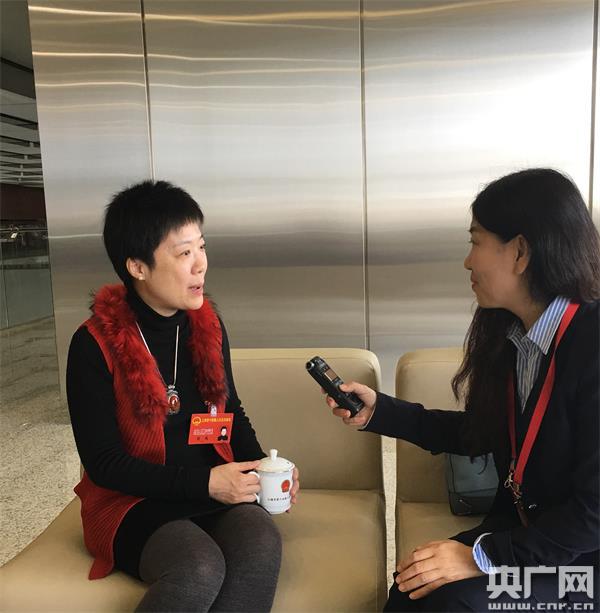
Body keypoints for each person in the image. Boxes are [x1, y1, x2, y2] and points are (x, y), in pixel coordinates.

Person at [325, 168, 599, 611]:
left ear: (521, 251)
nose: (468, 262)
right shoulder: (517, 336)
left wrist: (480, 557)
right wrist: (380, 412)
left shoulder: (590, 344)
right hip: (531, 535)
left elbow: (593, 516)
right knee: (410, 588)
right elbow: (484, 432)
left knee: (453, 603)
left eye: (476, 242)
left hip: (582, 561)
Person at [67, 180, 300, 612]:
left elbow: (230, 411)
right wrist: (207, 483)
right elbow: (104, 464)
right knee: (198, 566)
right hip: (131, 501)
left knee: (261, 540)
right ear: (137, 266)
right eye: (184, 253)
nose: (201, 265)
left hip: (210, 487)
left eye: (202, 247)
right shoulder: (93, 343)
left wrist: (262, 469)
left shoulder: (207, 325)